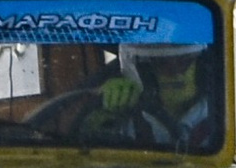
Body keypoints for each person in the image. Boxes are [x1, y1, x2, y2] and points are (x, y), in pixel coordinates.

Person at [81, 46, 217, 152]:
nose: (174, 72)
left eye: (184, 61)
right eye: (161, 63)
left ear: (201, 68)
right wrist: (103, 113)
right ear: (144, 72)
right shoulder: (125, 120)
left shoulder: (225, 112)